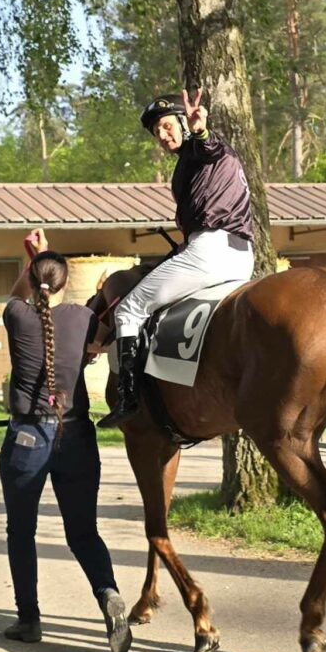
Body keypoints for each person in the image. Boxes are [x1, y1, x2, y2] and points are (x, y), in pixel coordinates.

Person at [0, 228, 133, 652]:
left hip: (27, 438)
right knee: (83, 532)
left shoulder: (18, 317)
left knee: (22, 532)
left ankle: (30, 619)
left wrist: (34, 257)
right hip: (76, 435)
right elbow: (98, 339)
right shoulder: (82, 318)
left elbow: (20, 295)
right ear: (65, 282)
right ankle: (108, 594)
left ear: (34, 279)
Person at [97, 89, 255, 428]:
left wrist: (200, 131)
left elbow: (208, 146)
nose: (162, 136)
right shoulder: (202, 159)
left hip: (209, 252)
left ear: (185, 121)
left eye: (168, 126)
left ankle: (127, 399)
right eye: (157, 132)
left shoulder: (203, 150)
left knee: (129, 309)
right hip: (240, 257)